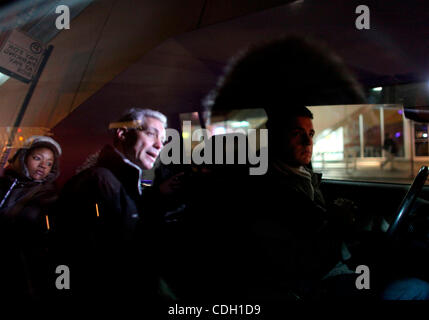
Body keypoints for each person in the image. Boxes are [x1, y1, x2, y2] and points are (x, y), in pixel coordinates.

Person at [200, 35, 429, 300]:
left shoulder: (302, 176)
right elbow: (295, 259)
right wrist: (336, 224)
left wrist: (363, 223)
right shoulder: (265, 187)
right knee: (418, 289)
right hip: (313, 283)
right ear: (274, 137)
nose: (308, 141)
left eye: (310, 134)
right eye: (297, 133)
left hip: (333, 263)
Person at [53, 108, 168, 303]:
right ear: (122, 133)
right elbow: (85, 256)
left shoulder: (120, 181)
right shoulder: (98, 181)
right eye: (150, 134)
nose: (159, 145)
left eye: (163, 141)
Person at [0, 135, 62, 300]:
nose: (43, 166)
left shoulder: (49, 196)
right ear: (23, 157)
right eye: (37, 158)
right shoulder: (5, 183)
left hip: (21, 270)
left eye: (49, 163)